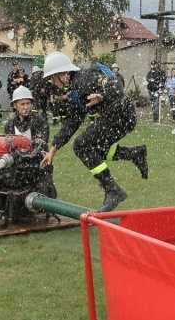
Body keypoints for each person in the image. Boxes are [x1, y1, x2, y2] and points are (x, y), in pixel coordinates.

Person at [39, 52, 148, 212]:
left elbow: (116, 85)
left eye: (52, 78)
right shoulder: (76, 89)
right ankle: (133, 154)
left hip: (121, 115)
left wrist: (103, 96)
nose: (53, 82)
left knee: (81, 145)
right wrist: (52, 150)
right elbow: (72, 122)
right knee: (93, 151)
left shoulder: (84, 78)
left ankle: (113, 190)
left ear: (61, 75)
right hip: (118, 117)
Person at [4, 86, 57, 198]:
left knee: (46, 193)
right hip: (17, 163)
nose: (26, 107)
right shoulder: (10, 124)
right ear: (15, 105)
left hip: (37, 163)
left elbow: (40, 145)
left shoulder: (40, 121)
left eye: (28, 103)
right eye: (22, 104)